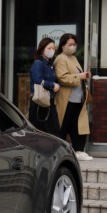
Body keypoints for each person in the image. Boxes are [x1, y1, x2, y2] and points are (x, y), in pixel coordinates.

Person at [54, 33, 93, 161]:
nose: (73, 47)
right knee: (64, 125)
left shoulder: (73, 58)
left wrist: (84, 75)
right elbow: (62, 77)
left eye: (74, 44)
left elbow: (76, 75)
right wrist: (79, 76)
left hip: (78, 98)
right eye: (70, 44)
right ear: (63, 45)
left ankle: (79, 150)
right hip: (67, 98)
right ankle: (59, 151)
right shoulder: (60, 59)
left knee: (77, 125)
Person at [28, 37, 61, 136]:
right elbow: (38, 80)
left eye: (53, 48)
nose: (52, 50)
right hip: (39, 102)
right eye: (49, 48)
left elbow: (55, 80)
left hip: (49, 101)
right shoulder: (38, 63)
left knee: (53, 131)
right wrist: (52, 85)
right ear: (42, 49)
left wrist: (57, 85)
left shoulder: (50, 65)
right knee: (40, 133)